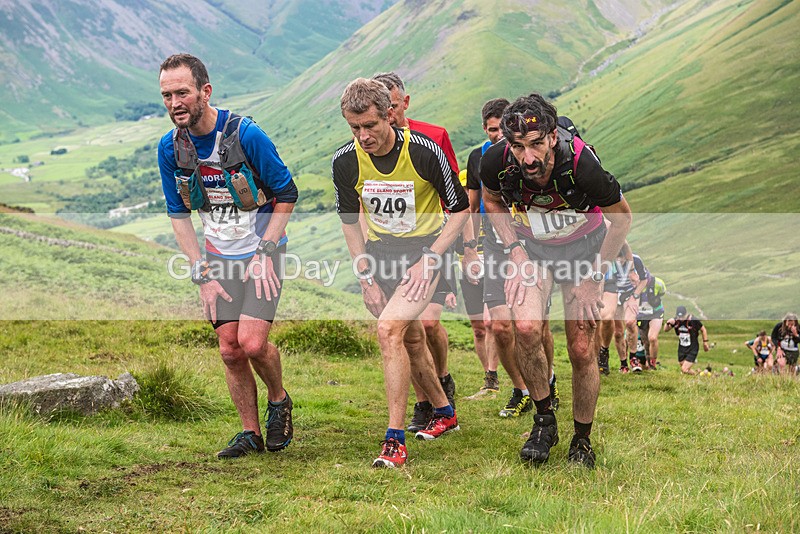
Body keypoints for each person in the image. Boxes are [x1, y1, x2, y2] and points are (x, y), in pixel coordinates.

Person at [157, 54, 297, 458]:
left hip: (263, 250)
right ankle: (250, 433)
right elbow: (178, 214)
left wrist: (266, 252)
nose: (174, 103)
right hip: (217, 258)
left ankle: (278, 401)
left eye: (182, 93)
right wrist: (201, 273)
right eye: (166, 95)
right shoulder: (170, 147)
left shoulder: (246, 135)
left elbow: (287, 194)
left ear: (205, 91)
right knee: (229, 349)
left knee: (253, 344)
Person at [481, 93, 632, 468]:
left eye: (535, 145)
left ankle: (582, 440)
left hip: (584, 249)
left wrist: (595, 279)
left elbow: (623, 220)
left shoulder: (581, 165)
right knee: (528, 328)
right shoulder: (496, 161)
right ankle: (544, 420)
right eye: (518, 147)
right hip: (533, 248)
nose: (527, 158)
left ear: (552, 137)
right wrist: (515, 252)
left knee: (582, 347)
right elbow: (492, 199)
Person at [331, 78, 469, 468]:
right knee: (409, 338)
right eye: (354, 128)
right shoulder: (345, 160)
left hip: (425, 255)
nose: (363, 136)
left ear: (389, 114)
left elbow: (459, 210)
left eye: (370, 126)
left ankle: (394, 441)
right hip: (380, 256)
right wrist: (365, 277)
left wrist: (433, 257)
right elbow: (349, 221)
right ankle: (445, 412)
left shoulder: (425, 152)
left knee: (388, 330)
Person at [371, 72, 460, 431]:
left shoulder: (433, 137)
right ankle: (429, 405)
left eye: (392, 105)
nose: (388, 113)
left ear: (403, 103)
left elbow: (456, 196)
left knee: (424, 323)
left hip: (432, 245)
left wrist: (461, 247)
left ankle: (442, 378)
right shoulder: (368, 143)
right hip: (388, 250)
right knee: (407, 330)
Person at [469, 98, 561, 415]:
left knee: (536, 327)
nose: (498, 137)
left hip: (531, 245)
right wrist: (470, 248)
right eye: (493, 131)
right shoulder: (479, 158)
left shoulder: (530, 157)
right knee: (500, 327)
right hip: (494, 244)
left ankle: (547, 381)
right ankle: (521, 389)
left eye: (502, 131)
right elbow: (473, 205)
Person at [597, 243, 647, 374]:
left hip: (630, 294)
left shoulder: (636, 260)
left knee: (630, 323)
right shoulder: (609, 263)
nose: (619, 261)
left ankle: (634, 358)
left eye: (622, 258)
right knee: (618, 332)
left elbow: (644, 280)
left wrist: (635, 295)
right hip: (614, 294)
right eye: (617, 258)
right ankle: (623, 363)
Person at [664, 306, 709, 374]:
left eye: (682, 316)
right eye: (679, 317)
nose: (681, 319)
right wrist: (668, 323)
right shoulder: (676, 320)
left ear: (686, 314)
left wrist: (705, 343)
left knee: (684, 369)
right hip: (682, 348)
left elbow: (703, 329)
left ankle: (697, 375)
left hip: (692, 348)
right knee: (683, 366)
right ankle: (697, 374)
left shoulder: (693, 320)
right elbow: (665, 330)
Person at [636, 274, 666, 370]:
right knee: (646, 342)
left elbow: (662, 292)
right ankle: (647, 362)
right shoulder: (632, 283)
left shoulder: (657, 283)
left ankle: (653, 365)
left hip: (656, 313)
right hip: (641, 315)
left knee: (652, 338)